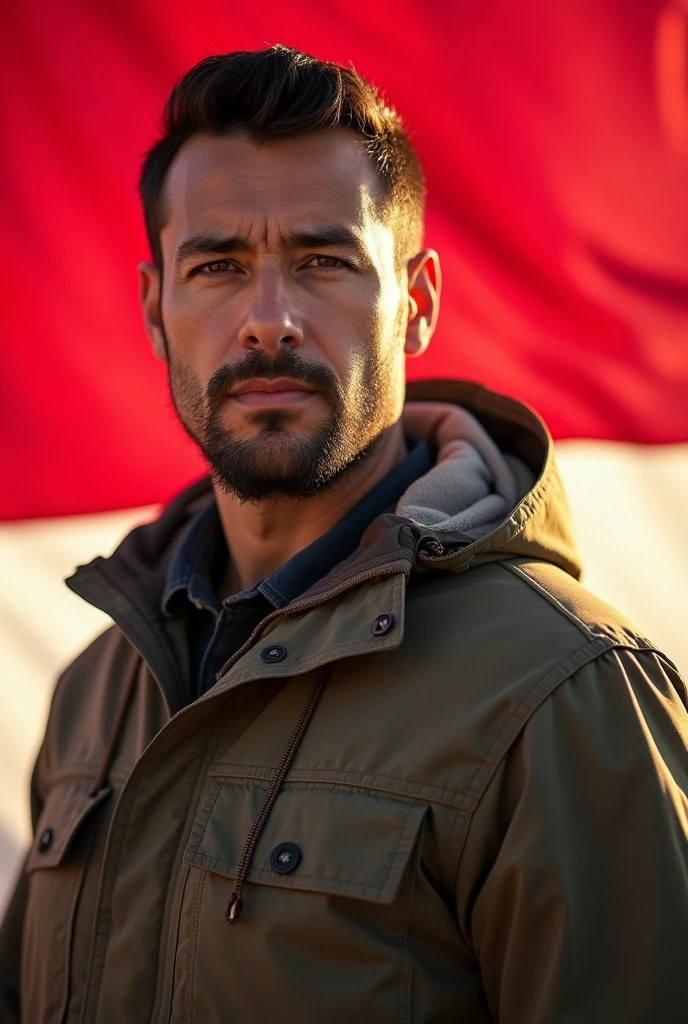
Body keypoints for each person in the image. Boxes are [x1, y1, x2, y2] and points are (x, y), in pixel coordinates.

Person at [1, 45, 687, 1024]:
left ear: (417, 303)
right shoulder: (95, 695)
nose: (268, 320)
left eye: (324, 261)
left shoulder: (566, 696)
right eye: (218, 266)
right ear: (156, 312)